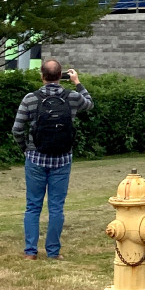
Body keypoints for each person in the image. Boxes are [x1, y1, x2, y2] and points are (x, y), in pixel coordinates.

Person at [12, 60, 93, 260]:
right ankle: (53, 252)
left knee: (33, 206)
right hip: (62, 159)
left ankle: (30, 252)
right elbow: (89, 103)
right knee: (56, 207)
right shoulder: (72, 97)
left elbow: (17, 129)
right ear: (61, 76)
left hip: (36, 158)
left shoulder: (30, 99)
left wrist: (26, 149)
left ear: (42, 76)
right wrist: (77, 82)